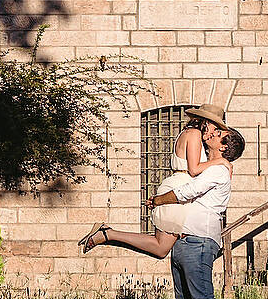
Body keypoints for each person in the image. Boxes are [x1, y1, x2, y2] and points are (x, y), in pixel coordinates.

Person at [79, 104, 245, 299]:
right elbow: (190, 176)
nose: (213, 133)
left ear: (224, 148)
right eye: (214, 128)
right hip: (185, 236)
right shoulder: (206, 154)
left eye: (218, 133)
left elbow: (187, 191)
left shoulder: (218, 169)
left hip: (199, 239)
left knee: (202, 298)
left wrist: (158, 200)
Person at [77, 105, 230, 258]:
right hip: (179, 187)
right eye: (215, 128)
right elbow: (194, 169)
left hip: (179, 186)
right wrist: (221, 161)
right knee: (161, 247)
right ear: (206, 122)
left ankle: (108, 234)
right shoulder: (194, 134)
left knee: (161, 248)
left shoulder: (190, 133)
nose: (213, 133)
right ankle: (107, 234)